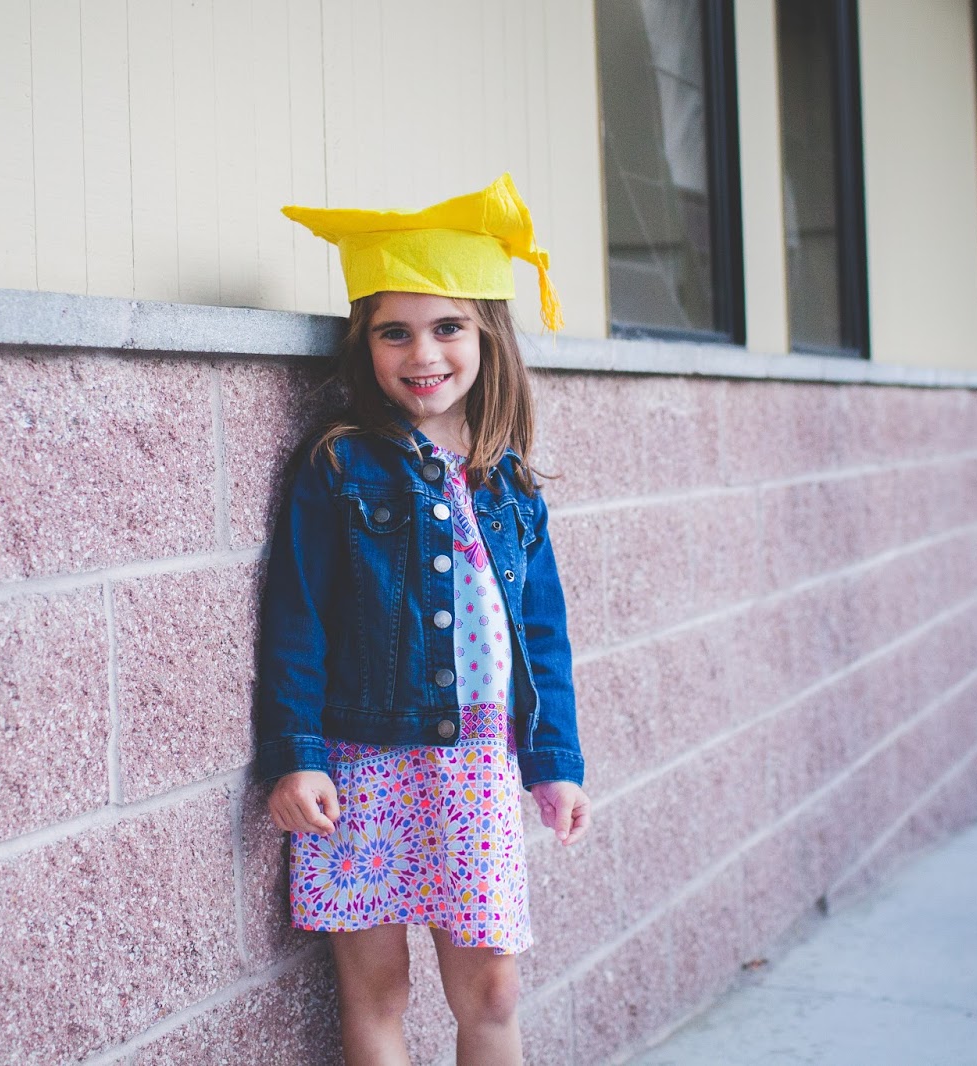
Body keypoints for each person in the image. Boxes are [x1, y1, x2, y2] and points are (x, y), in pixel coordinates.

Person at [256, 175, 590, 1066]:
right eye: (393, 332)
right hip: (362, 764)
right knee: (378, 990)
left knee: (493, 990)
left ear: (488, 337)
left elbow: (543, 637)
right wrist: (296, 755)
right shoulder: (339, 466)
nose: (423, 352)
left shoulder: (511, 486)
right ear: (362, 343)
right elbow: (296, 620)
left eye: (448, 327)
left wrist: (555, 763)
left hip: (476, 769)